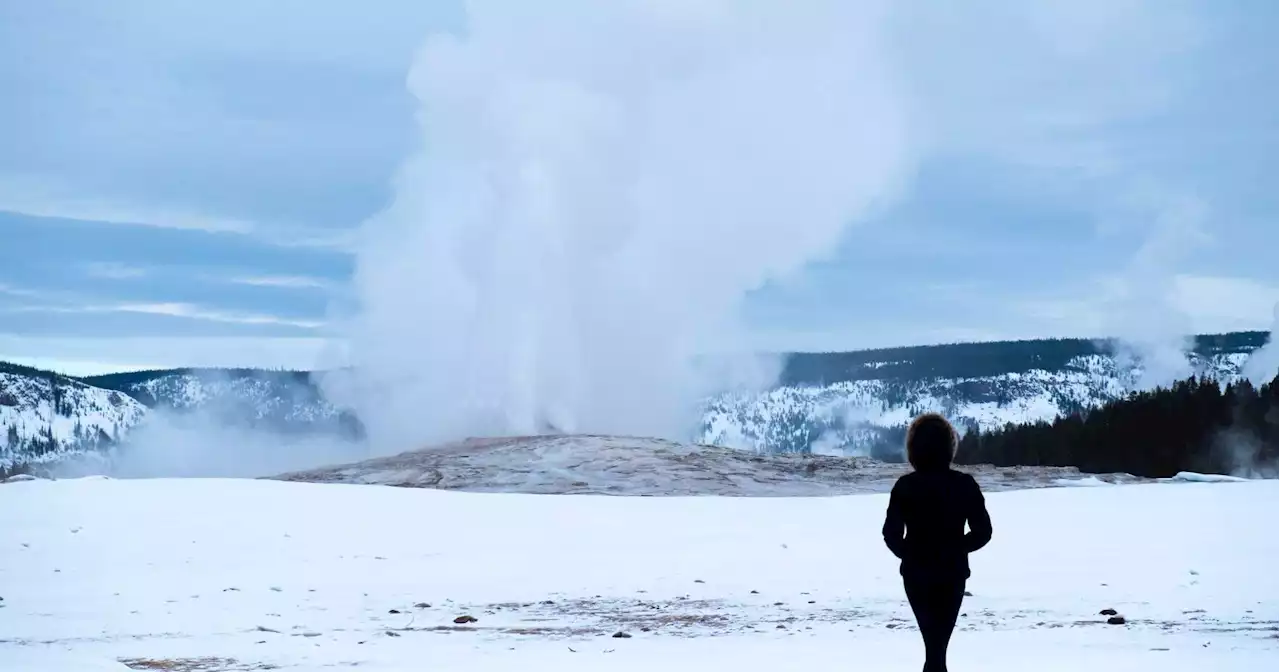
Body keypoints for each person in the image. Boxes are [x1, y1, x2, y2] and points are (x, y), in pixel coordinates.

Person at [882, 412, 993, 672]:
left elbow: (891, 534)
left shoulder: (905, 486)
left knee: (933, 645)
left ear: (913, 448)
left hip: (916, 575)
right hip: (952, 573)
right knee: (937, 646)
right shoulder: (964, 484)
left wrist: (911, 554)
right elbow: (983, 531)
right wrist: (956, 548)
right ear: (949, 447)